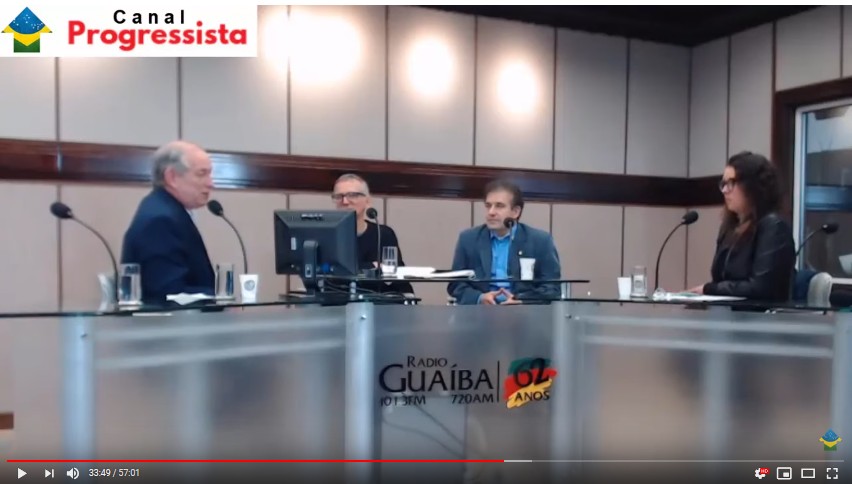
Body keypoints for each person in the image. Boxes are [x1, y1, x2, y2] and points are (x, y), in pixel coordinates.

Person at [687, 151, 795, 301]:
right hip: (728, 312)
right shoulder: (729, 228)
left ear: (752, 186)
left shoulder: (774, 227)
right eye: (723, 184)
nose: (725, 190)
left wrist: (709, 289)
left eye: (731, 183)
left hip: (759, 314)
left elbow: (760, 288)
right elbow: (720, 279)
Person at [121, 140, 216, 304]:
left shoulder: (165, 209)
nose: (210, 183)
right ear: (172, 177)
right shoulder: (160, 221)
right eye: (201, 174)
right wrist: (221, 299)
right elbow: (169, 293)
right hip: (171, 320)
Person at [447, 179, 562, 305]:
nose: (491, 212)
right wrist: (480, 297)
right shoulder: (468, 239)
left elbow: (552, 288)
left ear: (515, 212)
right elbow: (455, 285)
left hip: (524, 312)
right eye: (488, 206)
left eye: (499, 206)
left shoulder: (540, 241)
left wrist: (522, 300)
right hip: (480, 311)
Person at [332, 173, 414, 295]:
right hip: (338, 302)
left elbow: (397, 277)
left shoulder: (384, 234)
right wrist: (371, 266)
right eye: (339, 196)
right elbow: (329, 276)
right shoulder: (329, 236)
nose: (345, 201)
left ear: (367, 201)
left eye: (352, 195)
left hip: (380, 302)